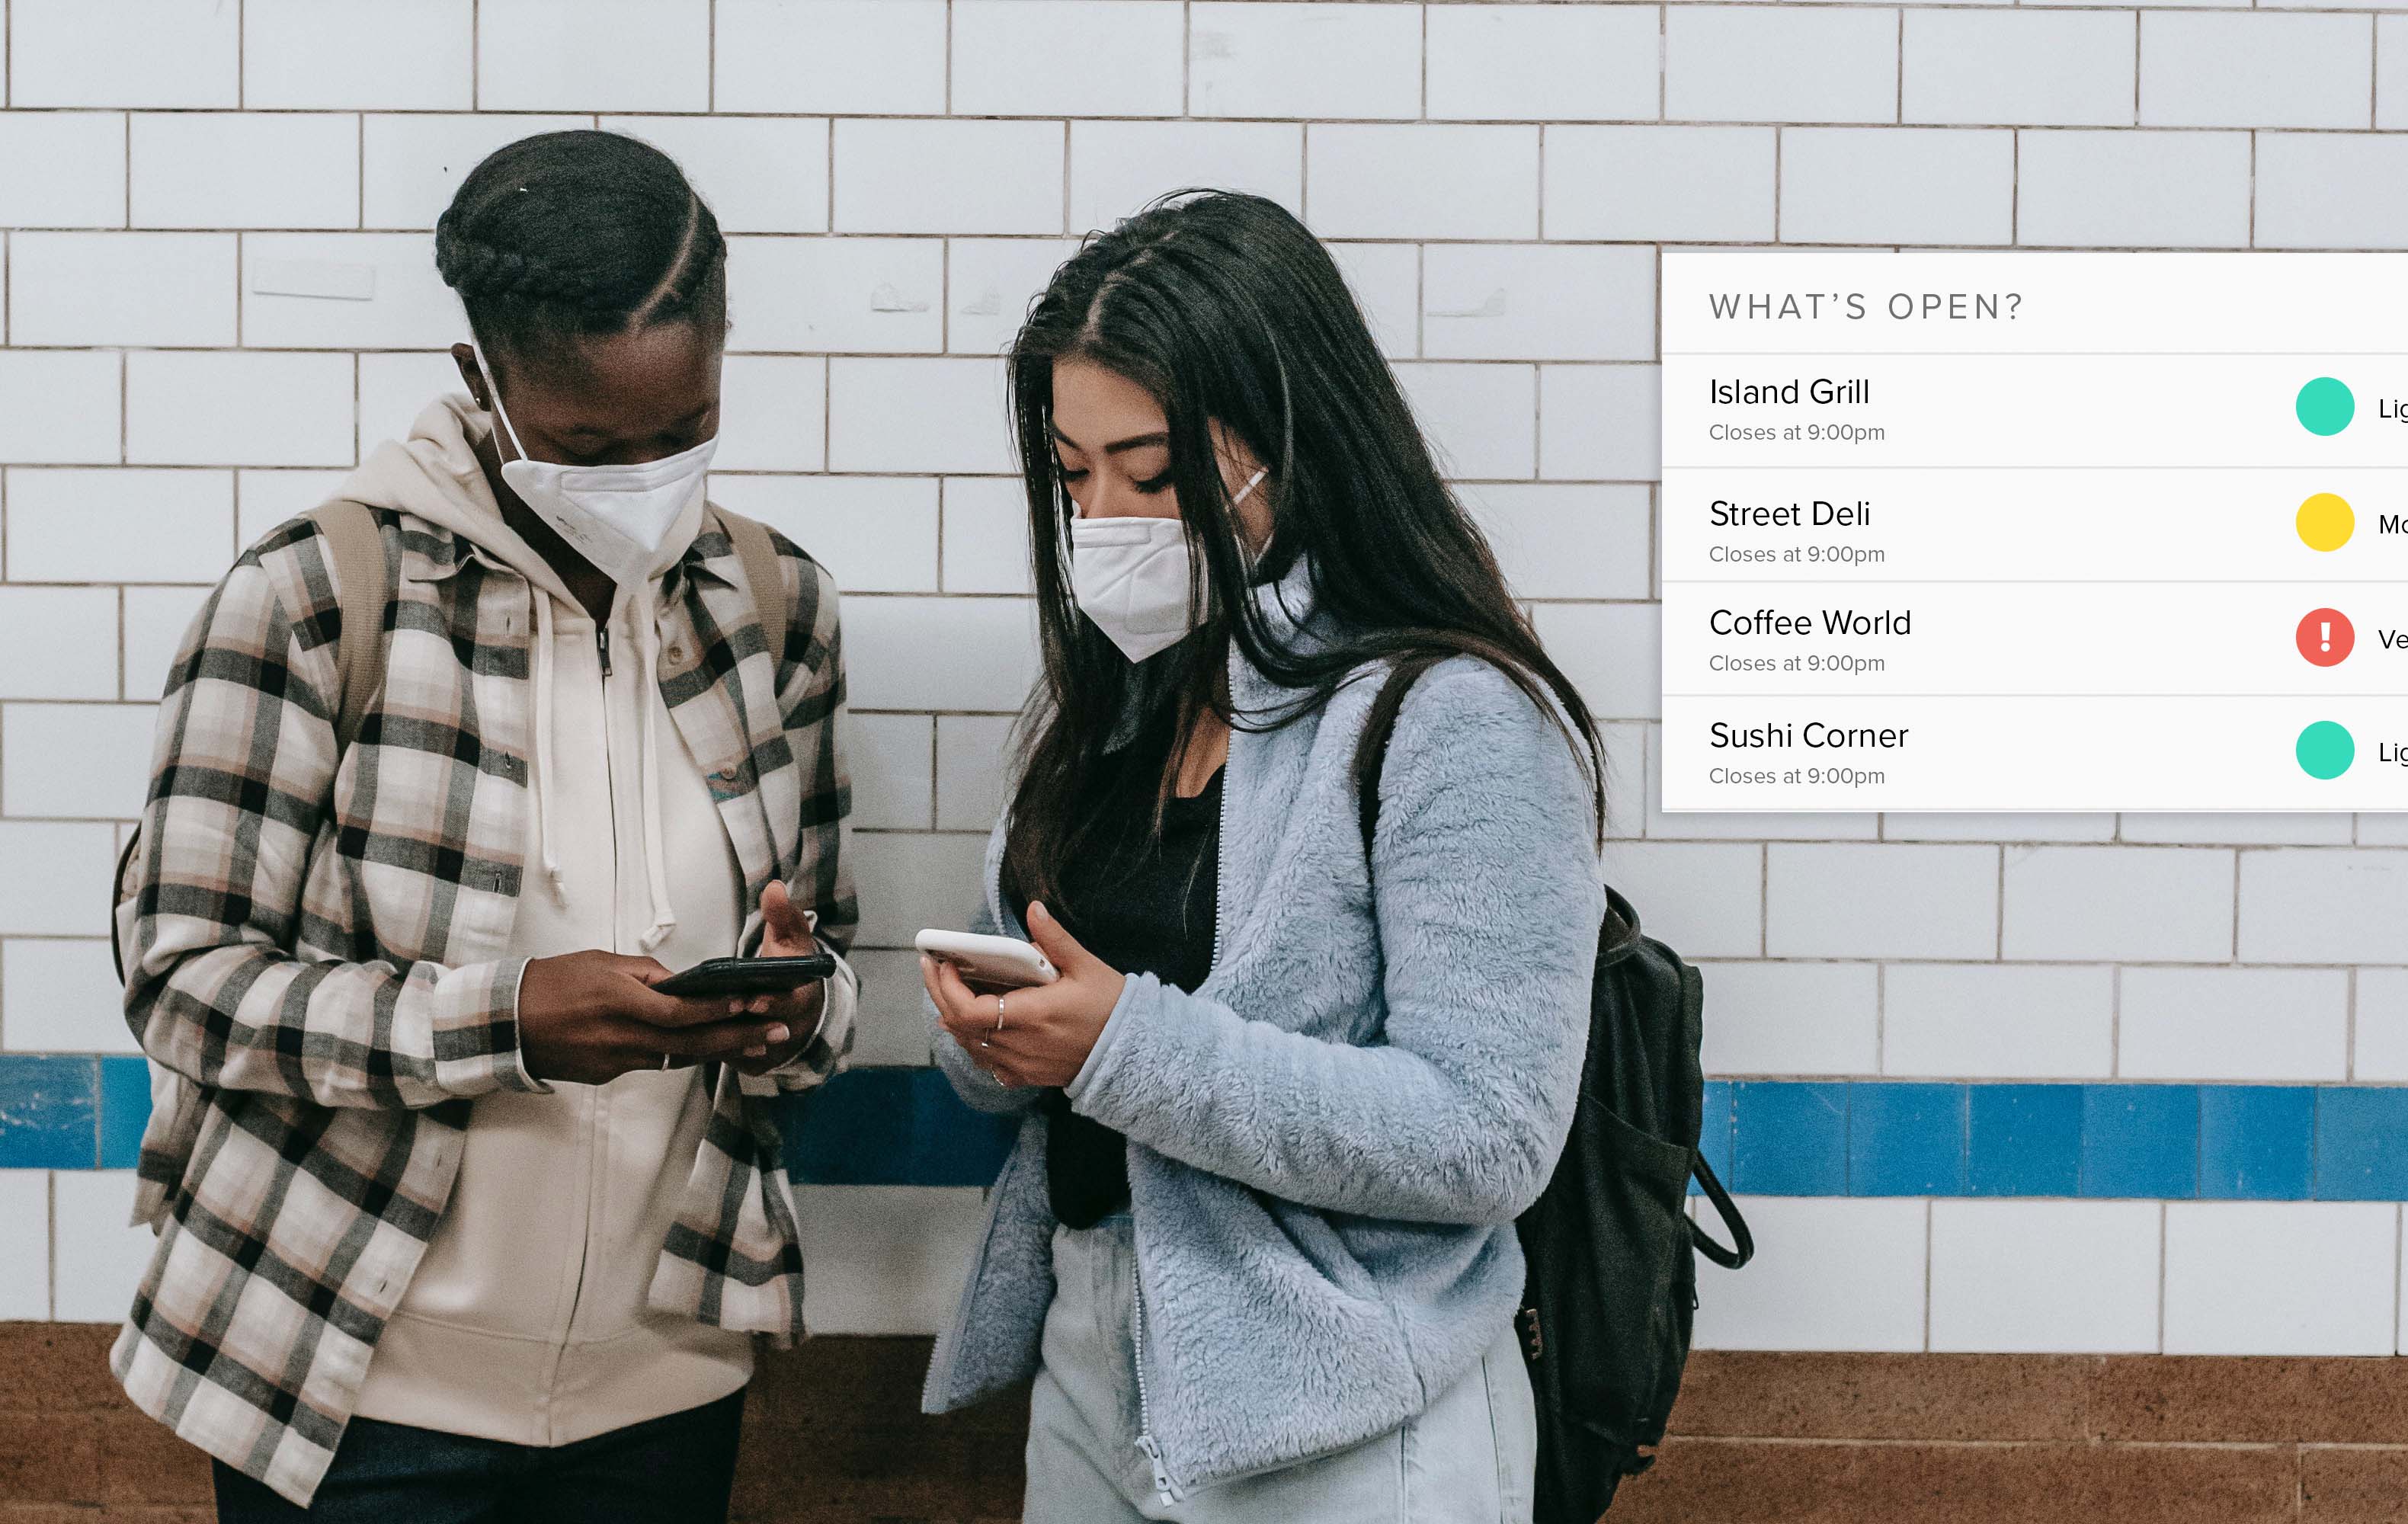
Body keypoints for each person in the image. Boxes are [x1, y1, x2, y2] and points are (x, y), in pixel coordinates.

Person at [111, 130, 859, 1522]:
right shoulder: (317, 597)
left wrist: (796, 1010)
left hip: (667, 1392)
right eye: (589, 445)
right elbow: (183, 986)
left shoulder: (775, 606)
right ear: (483, 383)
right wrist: (504, 1022)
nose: (646, 474)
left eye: (684, 428)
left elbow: (829, 950)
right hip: (353, 1399)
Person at [917, 190, 1605, 1522]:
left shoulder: (1451, 715)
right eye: (1072, 474)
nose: (1105, 515)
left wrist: (1119, 1045)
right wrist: (995, 1031)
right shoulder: (1118, 706)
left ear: (1287, 440)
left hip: (1350, 1422)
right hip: (1093, 1363)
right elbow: (1052, 1051)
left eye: (1153, 472)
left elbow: (1490, 1135)